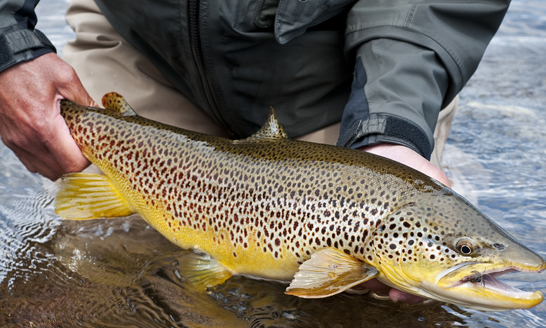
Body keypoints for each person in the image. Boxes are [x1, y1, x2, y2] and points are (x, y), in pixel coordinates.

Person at [0, 0, 510, 303]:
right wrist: (8, 48)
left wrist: (391, 124)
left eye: (463, 250)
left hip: (344, 62)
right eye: (464, 251)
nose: (467, 255)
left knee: (371, 308)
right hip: (141, 33)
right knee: (102, 261)